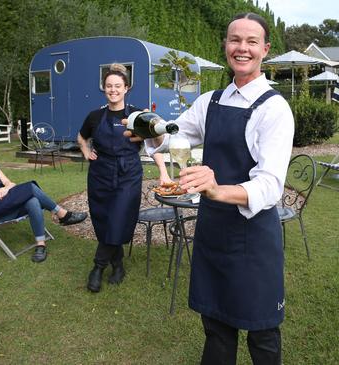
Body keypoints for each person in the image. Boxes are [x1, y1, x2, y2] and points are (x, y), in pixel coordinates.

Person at [128, 13, 294, 365]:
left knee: (263, 334)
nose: (242, 48)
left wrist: (217, 189)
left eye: (251, 41)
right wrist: (150, 130)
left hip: (254, 240)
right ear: (226, 46)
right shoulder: (210, 101)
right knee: (216, 329)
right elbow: (176, 137)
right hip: (214, 233)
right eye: (235, 40)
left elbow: (270, 185)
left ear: (265, 49)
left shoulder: (274, 109)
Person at [77, 63, 172, 293]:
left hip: (128, 173)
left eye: (118, 86)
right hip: (100, 173)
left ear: (126, 88)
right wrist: (86, 151)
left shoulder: (138, 116)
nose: (113, 90)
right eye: (109, 86)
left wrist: (163, 172)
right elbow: (81, 137)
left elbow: (153, 145)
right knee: (103, 219)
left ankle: (98, 267)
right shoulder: (95, 116)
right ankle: (118, 264)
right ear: (104, 88)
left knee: (119, 217)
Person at [0, 135, 88, 263]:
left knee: (32, 201)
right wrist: (1, 190)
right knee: (31, 188)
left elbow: (9, 183)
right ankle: (62, 214)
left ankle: (40, 245)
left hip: (6, 202)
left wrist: (7, 188)